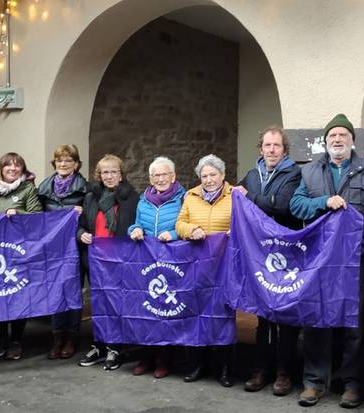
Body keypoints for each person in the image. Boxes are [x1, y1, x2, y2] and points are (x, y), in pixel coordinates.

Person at [289, 113, 364, 408]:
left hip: (353, 258)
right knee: (317, 320)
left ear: (352, 140)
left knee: (353, 324)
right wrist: (323, 202)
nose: (337, 139)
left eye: (343, 135)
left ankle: (351, 383)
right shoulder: (309, 171)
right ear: (325, 141)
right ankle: (314, 381)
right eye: (332, 135)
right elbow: (296, 205)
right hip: (319, 259)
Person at [235, 125, 303, 396]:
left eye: (277, 145)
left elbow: (283, 205)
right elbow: (236, 199)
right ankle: (261, 368)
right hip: (259, 252)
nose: (272, 150)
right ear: (260, 149)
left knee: (285, 313)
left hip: (286, 252)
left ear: (284, 150)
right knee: (263, 313)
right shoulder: (252, 175)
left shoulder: (294, 173)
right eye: (267, 145)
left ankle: (285, 371)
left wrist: (251, 198)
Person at [175, 154, 234, 387]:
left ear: (223, 175)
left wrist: (235, 232)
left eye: (213, 175)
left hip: (223, 265)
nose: (209, 180)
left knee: (222, 315)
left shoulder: (235, 196)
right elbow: (179, 224)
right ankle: (196, 365)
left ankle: (225, 368)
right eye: (204, 176)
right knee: (195, 312)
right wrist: (191, 229)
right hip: (197, 265)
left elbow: (244, 222)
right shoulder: (190, 197)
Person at [76, 154, 138, 371]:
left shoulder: (131, 197)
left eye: (113, 172)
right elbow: (81, 224)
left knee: (118, 303)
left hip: (120, 260)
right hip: (97, 260)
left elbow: (137, 224)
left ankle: (116, 347)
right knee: (99, 303)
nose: (109, 176)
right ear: (99, 175)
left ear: (121, 175)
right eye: (105, 172)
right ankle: (100, 344)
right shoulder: (91, 197)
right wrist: (81, 234)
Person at [128, 156, 186, 378]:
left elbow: (186, 224)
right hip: (147, 260)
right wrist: (134, 230)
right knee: (147, 308)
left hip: (173, 260)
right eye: (156, 175)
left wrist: (172, 234)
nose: (160, 179)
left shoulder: (183, 198)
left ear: (173, 176)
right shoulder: (143, 200)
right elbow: (137, 223)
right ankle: (146, 356)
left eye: (164, 174)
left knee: (166, 309)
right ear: (151, 178)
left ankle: (164, 359)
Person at [0, 152, 43, 361]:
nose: (12, 168)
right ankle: (0, 339)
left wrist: (19, 214)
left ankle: (16, 341)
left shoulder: (28, 189)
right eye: (8, 165)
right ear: (0, 168)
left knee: (18, 294)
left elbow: (38, 216)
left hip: (19, 250)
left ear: (22, 169)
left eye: (17, 165)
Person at [37, 144, 88, 360]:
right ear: (54, 163)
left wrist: (83, 212)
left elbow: (90, 217)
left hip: (75, 247)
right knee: (55, 291)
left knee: (73, 291)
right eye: (60, 160)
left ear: (76, 164)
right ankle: (57, 337)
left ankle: (71, 337)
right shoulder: (44, 189)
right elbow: (36, 217)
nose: (63, 164)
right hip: (53, 249)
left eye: (68, 160)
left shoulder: (85, 189)